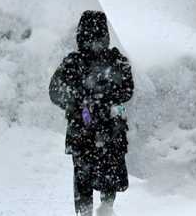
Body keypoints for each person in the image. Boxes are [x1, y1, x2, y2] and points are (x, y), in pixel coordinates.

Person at [49, 11, 134, 216]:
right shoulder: (116, 61)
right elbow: (127, 90)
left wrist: (81, 101)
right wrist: (88, 101)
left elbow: (56, 91)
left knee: (85, 176)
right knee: (104, 175)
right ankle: (103, 209)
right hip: (101, 130)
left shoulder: (74, 63)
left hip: (90, 131)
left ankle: (91, 211)